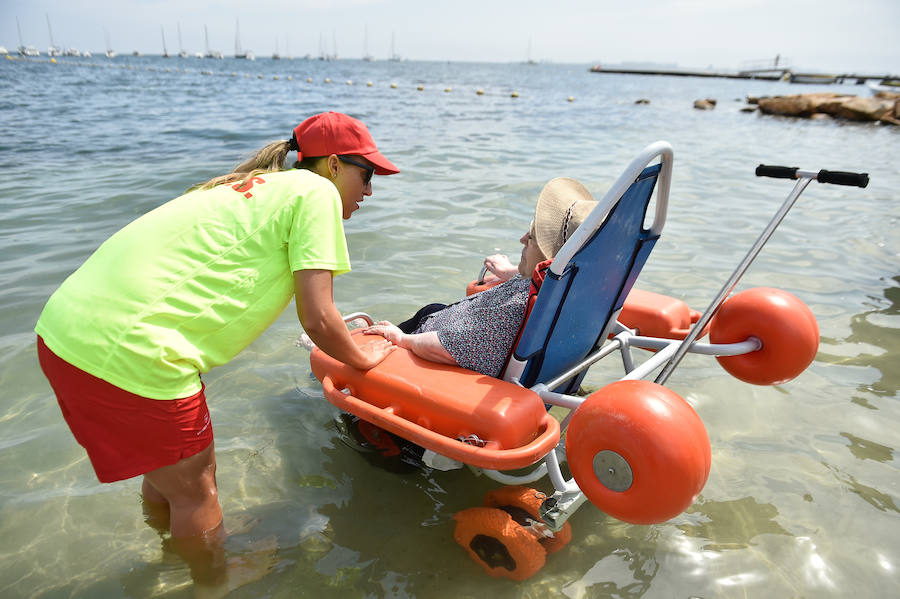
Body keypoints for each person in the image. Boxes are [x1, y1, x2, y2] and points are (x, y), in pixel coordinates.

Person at [34, 111, 399, 593]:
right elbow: (319, 318)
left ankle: (175, 554)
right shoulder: (315, 194)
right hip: (138, 351)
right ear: (332, 165)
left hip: (66, 333)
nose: (369, 191)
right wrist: (365, 359)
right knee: (198, 487)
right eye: (366, 174)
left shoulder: (256, 185)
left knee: (170, 476)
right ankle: (212, 582)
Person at [363, 177, 599, 378]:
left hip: (436, 346)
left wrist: (402, 339)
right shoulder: (571, 284)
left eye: (533, 236)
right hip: (452, 320)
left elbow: (447, 348)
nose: (522, 238)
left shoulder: (510, 314)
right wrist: (513, 272)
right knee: (431, 309)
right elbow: (545, 274)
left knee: (401, 327)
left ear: (552, 255)